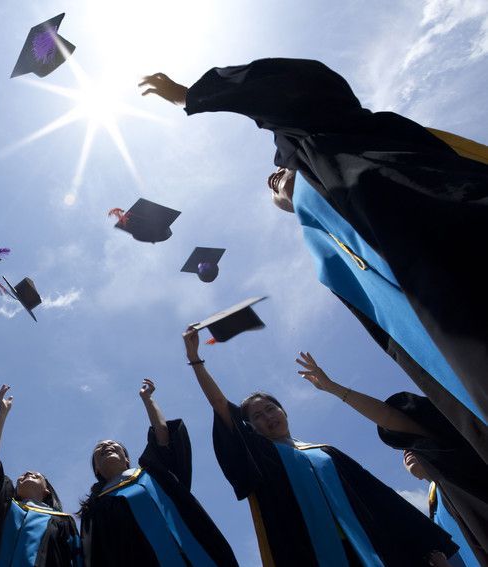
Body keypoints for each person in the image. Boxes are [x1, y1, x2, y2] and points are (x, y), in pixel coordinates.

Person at [139, 59, 488, 462]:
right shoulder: (323, 239)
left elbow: (300, 84)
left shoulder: (341, 136)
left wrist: (193, 94)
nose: (276, 177)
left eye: (281, 167)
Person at [183, 326, 458, 565]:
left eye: (270, 409)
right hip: (308, 554)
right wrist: (195, 359)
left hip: (369, 546)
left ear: (283, 411)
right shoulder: (261, 457)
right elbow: (220, 406)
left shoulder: (325, 453)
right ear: (250, 428)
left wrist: (427, 546)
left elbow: (379, 499)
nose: (268, 417)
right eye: (257, 416)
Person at [294, 352, 488, 566]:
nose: (406, 452)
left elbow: (389, 417)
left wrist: (333, 388)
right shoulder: (437, 514)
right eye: (403, 449)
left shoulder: (463, 466)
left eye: (412, 445)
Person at [78, 379, 238, 567]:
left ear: (127, 459)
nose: (106, 446)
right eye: (100, 448)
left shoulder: (153, 473)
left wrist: (147, 399)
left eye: (113, 445)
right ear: (97, 469)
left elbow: (162, 434)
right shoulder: (95, 509)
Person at [0, 385, 80, 566]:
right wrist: (2, 414)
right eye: (23, 475)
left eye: (36, 475)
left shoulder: (63, 522)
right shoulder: (5, 507)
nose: (27, 474)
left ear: (47, 490)